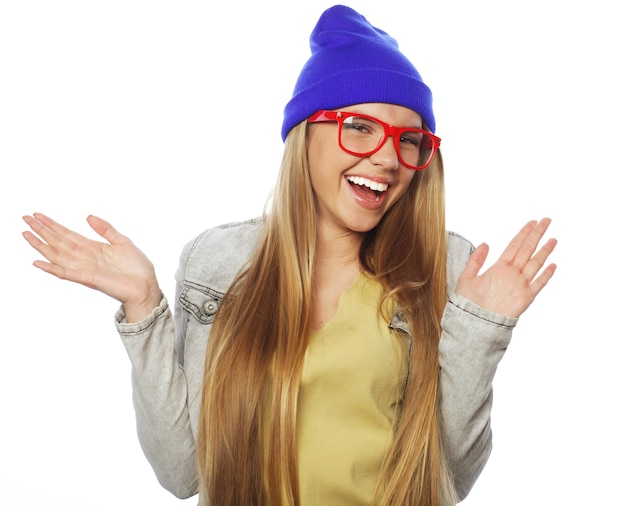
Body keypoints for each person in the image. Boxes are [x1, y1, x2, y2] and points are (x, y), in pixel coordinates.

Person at [22, 5, 557, 506]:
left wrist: (482, 330)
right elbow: (180, 471)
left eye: (409, 140)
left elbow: (450, 480)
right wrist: (144, 306)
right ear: (306, 134)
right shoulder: (219, 264)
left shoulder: (440, 271)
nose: (389, 158)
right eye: (361, 128)